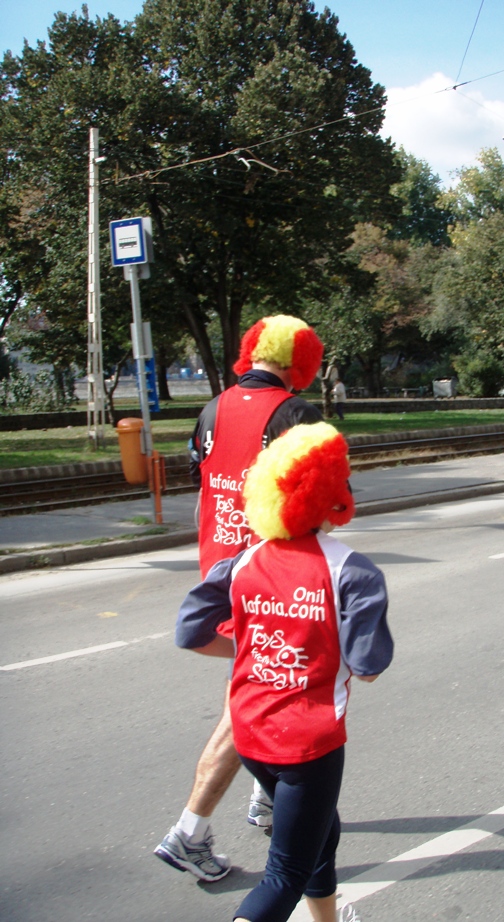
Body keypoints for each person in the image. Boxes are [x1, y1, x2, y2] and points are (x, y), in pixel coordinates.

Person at [174, 422, 393, 922]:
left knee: (323, 835)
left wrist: (258, 651)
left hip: (250, 735)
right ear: (333, 497)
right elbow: (368, 667)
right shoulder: (354, 571)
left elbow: (190, 633)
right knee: (283, 877)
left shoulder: (244, 559)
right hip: (308, 746)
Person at [155, 314, 325, 882]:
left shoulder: (210, 409)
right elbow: (317, 502)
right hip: (271, 581)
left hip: (218, 570)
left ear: (251, 351)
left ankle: (266, 799)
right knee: (251, 701)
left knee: (265, 689)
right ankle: (189, 832)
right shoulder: (297, 415)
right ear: (302, 361)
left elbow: (200, 484)